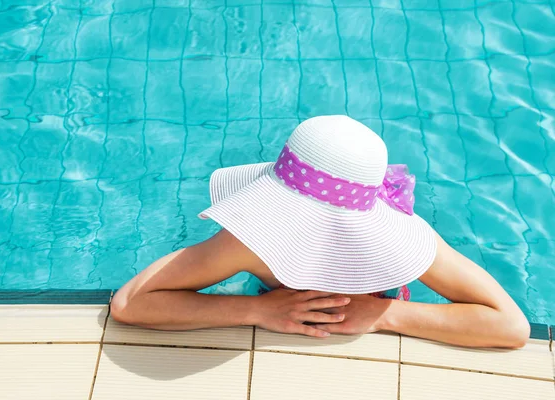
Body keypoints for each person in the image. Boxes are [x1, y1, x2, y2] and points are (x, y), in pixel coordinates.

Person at [111, 115, 530, 349]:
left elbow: (510, 326)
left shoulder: (399, 241)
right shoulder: (257, 239)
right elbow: (131, 303)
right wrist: (256, 311)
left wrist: (385, 316)